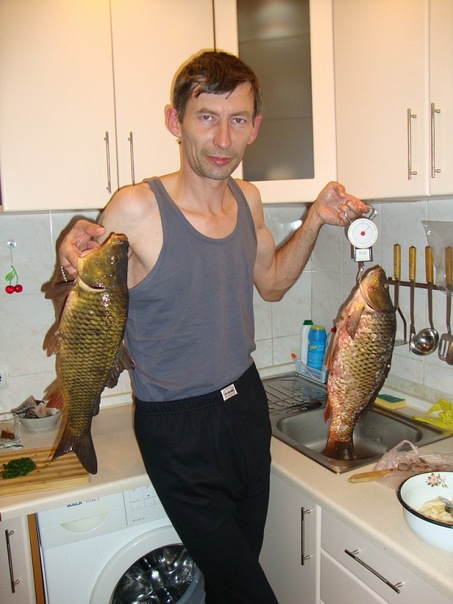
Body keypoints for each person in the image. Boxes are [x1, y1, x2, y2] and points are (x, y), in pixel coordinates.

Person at [58, 51, 369, 603]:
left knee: (233, 577)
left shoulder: (248, 199)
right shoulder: (135, 209)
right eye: (207, 117)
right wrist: (68, 257)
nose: (223, 138)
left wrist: (315, 220)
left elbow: (272, 284)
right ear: (175, 122)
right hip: (176, 426)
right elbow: (84, 308)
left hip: (245, 407)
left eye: (238, 119)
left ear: (255, 127)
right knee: (248, 590)